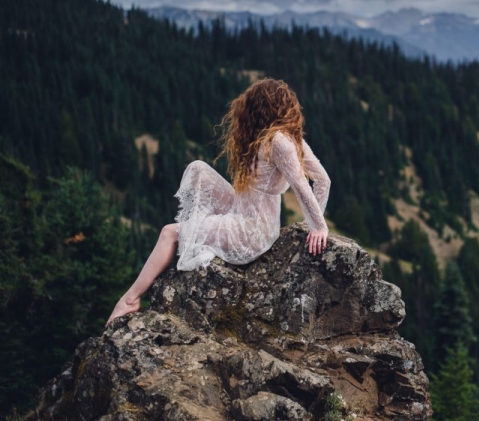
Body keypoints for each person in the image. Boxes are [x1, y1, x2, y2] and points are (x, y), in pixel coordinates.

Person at [105, 78, 331, 326]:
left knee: (169, 233)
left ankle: (130, 299)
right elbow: (323, 181)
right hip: (244, 211)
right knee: (199, 169)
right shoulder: (287, 139)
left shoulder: (279, 142)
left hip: (251, 229)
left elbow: (304, 186)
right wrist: (310, 224)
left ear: (257, 109)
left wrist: (316, 226)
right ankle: (198, 231)